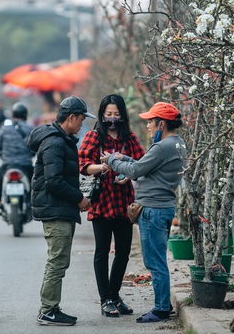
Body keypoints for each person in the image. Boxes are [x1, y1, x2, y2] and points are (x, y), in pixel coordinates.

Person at [101, 102, 186, 323]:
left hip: (154, 210)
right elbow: (144, 167)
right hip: (163, 208)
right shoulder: (177, 144)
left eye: (150, 121)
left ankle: (160, 309)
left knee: (155, 262)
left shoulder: (162, 147)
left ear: (161, 123)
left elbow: (138, 170)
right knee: (158, 259)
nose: (147, 125)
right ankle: (163, 304)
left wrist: (111, 160)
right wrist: (124, 159)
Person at [26, 95, 95, 326]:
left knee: (59, 261)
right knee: (57, 261)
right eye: (81, 118)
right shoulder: (55, 142)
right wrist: (79, 199)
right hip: (56, 210)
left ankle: (51, 307)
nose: (82, 123)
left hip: (59, 208)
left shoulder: (62, 139)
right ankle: (47, 310)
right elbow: (54, 181)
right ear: (71, 117)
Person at [78, 94, 145, 317]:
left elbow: (141, 162)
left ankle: (115, 296)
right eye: (109, 114)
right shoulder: (94, 136)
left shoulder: (130, 139)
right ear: (102, 115)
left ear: (123, 115)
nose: (113, 118)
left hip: (124, 202)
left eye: (117, 114)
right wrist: (104, 167)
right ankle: (105, 298)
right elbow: (83, 165)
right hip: (102, 202)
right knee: (102, 251)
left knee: (124, 251)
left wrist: (127, 173)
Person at [0, 102, 35, 216]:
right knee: (37, 181)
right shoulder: (30, 129)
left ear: (13, 114)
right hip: (26, 165)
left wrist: (1, 152)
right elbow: (35, 146)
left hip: (8, 165)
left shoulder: (5, 129)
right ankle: (34, 204)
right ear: (25, 115)